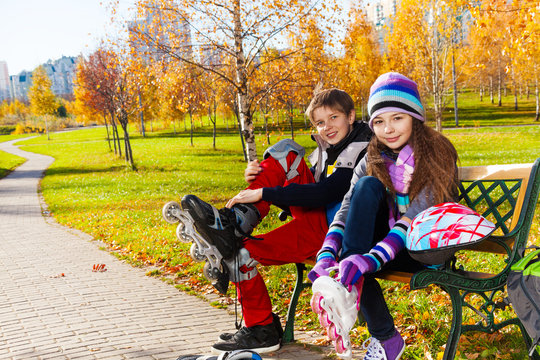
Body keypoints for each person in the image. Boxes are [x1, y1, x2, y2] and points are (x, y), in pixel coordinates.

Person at [180, 88, 372, 354]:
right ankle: (235, 221)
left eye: (334, 118)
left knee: (241, 253)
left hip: (335, 235)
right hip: (319, 219)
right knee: (287, 152)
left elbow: (328, 192)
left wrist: (263, 192)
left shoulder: (363, 148)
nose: (326, 127)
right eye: (319, 122)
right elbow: (305, 195)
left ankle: (262, 329)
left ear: (351, 116)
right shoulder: (329, 148)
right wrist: (261, 180)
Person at [308, 72, 459, 360]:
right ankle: (383, 334)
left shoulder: (437, 154)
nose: (387, 129)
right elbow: (348, 207)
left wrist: (367, 259)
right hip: (391, 245)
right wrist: (327, 253)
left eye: (397, 118)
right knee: (366, 186)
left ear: (414, 117)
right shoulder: (372, 156)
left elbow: (413, 219)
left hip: (426, 249)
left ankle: (346, 288)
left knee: (354, 268)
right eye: (378, 121)